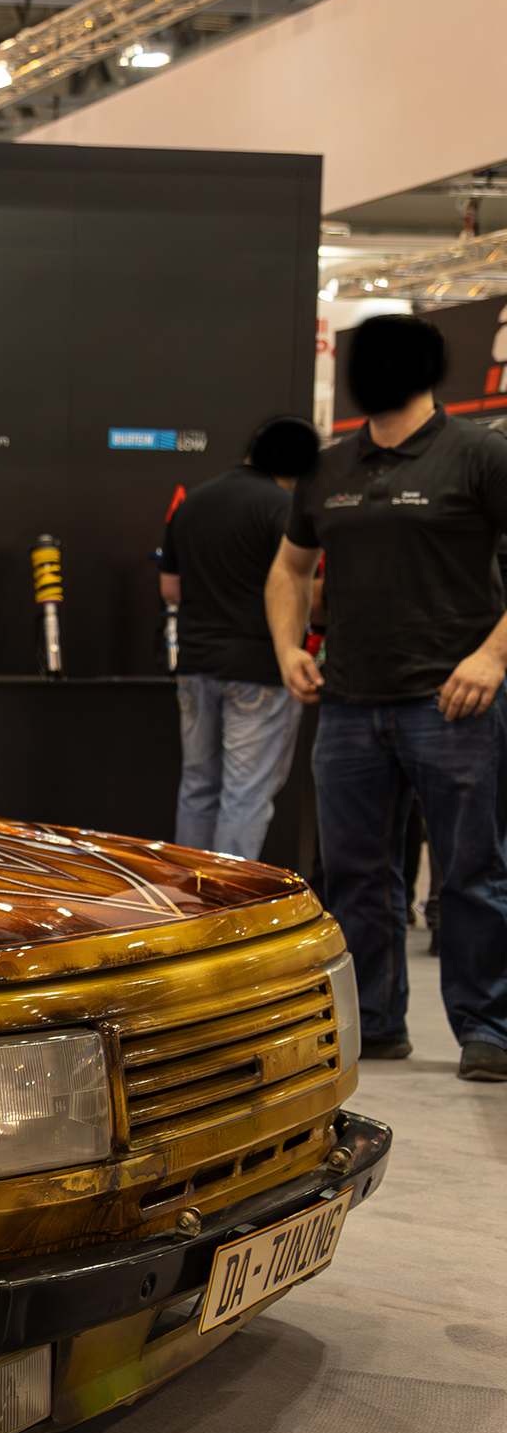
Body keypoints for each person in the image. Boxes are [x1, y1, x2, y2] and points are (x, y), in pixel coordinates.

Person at [266, 314, 507, 1082]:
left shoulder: (479, 455)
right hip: (348, 704)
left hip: (454, 700)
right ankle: (374, 1020)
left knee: (472, 871)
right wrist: (289, 649)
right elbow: (288, 568)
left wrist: (493, 656)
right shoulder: (328, 467)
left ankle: (489, 1026)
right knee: (356, 874)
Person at [160, 416, 320, 860]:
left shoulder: (192, 501)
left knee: (198, 785)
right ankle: (228, 911)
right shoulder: (281, 506)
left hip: (195, 665)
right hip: (260, 667)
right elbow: (305, 582)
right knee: (245, 794)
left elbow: (169, 589)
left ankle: (190, 904)